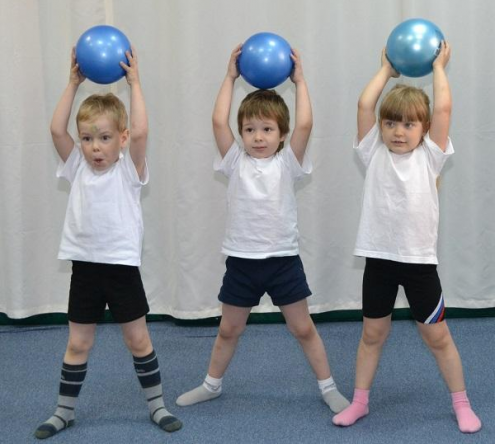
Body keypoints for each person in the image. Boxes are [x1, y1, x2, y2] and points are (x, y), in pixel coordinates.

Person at [176, 44, 349, 414]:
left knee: (303, 329)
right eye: (250, 129)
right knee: (228, 330)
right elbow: (216, 122)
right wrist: (229, 77)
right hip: (242, 262)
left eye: (267, 129)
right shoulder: (233, 160)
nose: (258, 136)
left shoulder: (289, 162)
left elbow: (305, 123)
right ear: (241, 133)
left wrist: (300, 81)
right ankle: (211, 385)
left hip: (283, 260)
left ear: (281, 135)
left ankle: (328, 387)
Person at [332, 42, 481, 434]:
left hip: (418, 264)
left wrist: (440, 69)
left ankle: (461, 404)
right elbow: (365, 105)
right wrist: (386, 70)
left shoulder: (431, 155)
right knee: (372, 334)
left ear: (425, 130)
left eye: (409, 124)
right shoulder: (372, 153)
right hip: (378, 260)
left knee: (438, 337)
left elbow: (444, 107)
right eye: (391, 123)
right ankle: (360, 402)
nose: (399, 132)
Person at [34, 48, 182, 439]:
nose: (95, 147)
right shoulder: (76, 165)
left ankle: (157, 406)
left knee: (138, 339)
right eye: (87, 138)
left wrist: (135, 84)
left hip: (120, 268)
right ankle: (63, 412)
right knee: (78, 343)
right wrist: (72, 84)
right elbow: (54, 130)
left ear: (122, 138)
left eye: (103, 138)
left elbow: (144, 131)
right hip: (84, 268)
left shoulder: (130, 171)